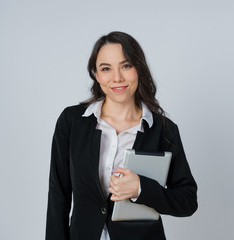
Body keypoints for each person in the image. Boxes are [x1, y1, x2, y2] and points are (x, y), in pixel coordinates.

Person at [45, 31, 198, 240]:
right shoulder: (72, 121)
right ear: (96, 75)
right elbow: (58, 195)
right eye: (106, 68)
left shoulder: (163, 129)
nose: (117, 77)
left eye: (126, 66)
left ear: (139, 69)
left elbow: (187, 201)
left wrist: (141, 189)